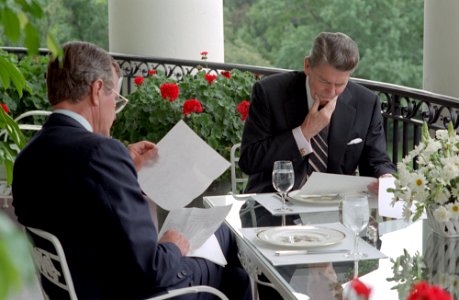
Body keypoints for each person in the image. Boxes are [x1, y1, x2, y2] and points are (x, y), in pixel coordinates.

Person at [12, 41, 252, 300]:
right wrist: (172, 245)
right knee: (230, 254)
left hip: (74, 287)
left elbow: (81, 208)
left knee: (232, 272)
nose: (114, 113)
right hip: (128, 290)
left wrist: (124, 168)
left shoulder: (28, 156)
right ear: (97, 90)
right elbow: (152, 270)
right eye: (115, 98)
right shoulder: (101, 152)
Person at [239, 31, 395, 227]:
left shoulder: (366, 102)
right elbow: (249, 160)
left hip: (336, 213)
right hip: (274, 207)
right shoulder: (270, 92)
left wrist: (385, 176)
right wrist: (303, 133)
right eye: (324, 81)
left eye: (340, 84)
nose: (331, 92)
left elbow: (377, 160)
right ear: (307, 66)